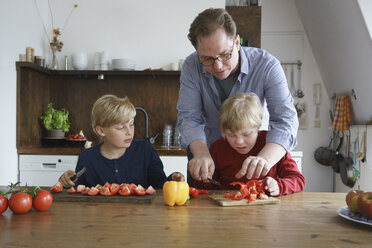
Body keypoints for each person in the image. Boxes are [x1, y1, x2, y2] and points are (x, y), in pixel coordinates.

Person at [176, 8, 298, 184]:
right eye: (207, 59)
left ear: (237, 42)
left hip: (257, 156)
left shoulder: (267, 66)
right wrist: (201, 154)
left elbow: (285, 120)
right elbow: (189, 118)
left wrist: (263, 160)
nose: (218, 66)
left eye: (225, 54)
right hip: (208, 157)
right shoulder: (191, 66)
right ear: (197, 52)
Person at [59, 94, 184, 188]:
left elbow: (159, 185)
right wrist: (65, 181)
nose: (129, 131)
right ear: (101, 131)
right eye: (120, 127)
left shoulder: (145, 150)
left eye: (131, 124)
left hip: (140, 218)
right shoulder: (87, 157)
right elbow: (75, 190)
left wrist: (172, 180)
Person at [194, 93, 305, 196]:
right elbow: (206, 186)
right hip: (228, 211)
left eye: (246, 134)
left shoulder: (274, 144)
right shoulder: (217, 148)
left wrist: (279, 186)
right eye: (231, 135)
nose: (239, 141)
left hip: (267, 212)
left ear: (257, 127)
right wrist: (200, 178)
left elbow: (298, 180)